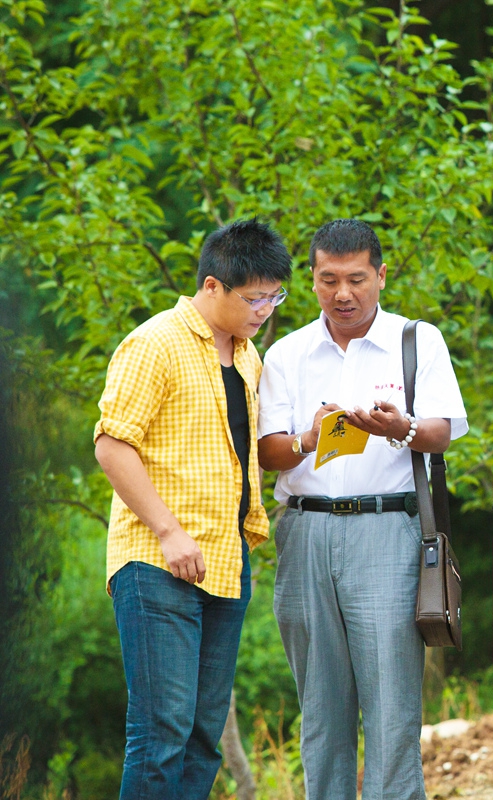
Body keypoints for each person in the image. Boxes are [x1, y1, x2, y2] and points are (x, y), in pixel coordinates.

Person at [257, 219, 467, 800]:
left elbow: (443, 432)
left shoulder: (417, 340)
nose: (342, 294)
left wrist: (401, 428)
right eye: (328, 280)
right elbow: (268, 451)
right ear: (313, 280)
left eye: (355, 279)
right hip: (305, 531)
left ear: (380, 275)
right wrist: (309, 437)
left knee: (391, 702)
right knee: (320, 706)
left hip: (387, 529)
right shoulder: (286, 352)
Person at [94, 219, 292, 799]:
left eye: (274, 296)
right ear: (212, 286)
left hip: (225, 564)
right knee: (162, 732)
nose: (265, 309)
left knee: (204, 735)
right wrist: (168, 531)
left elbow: (240, 455)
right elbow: (112, 443)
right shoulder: (153, 343)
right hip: (159, 562)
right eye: (254, 297)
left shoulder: (250, 358)